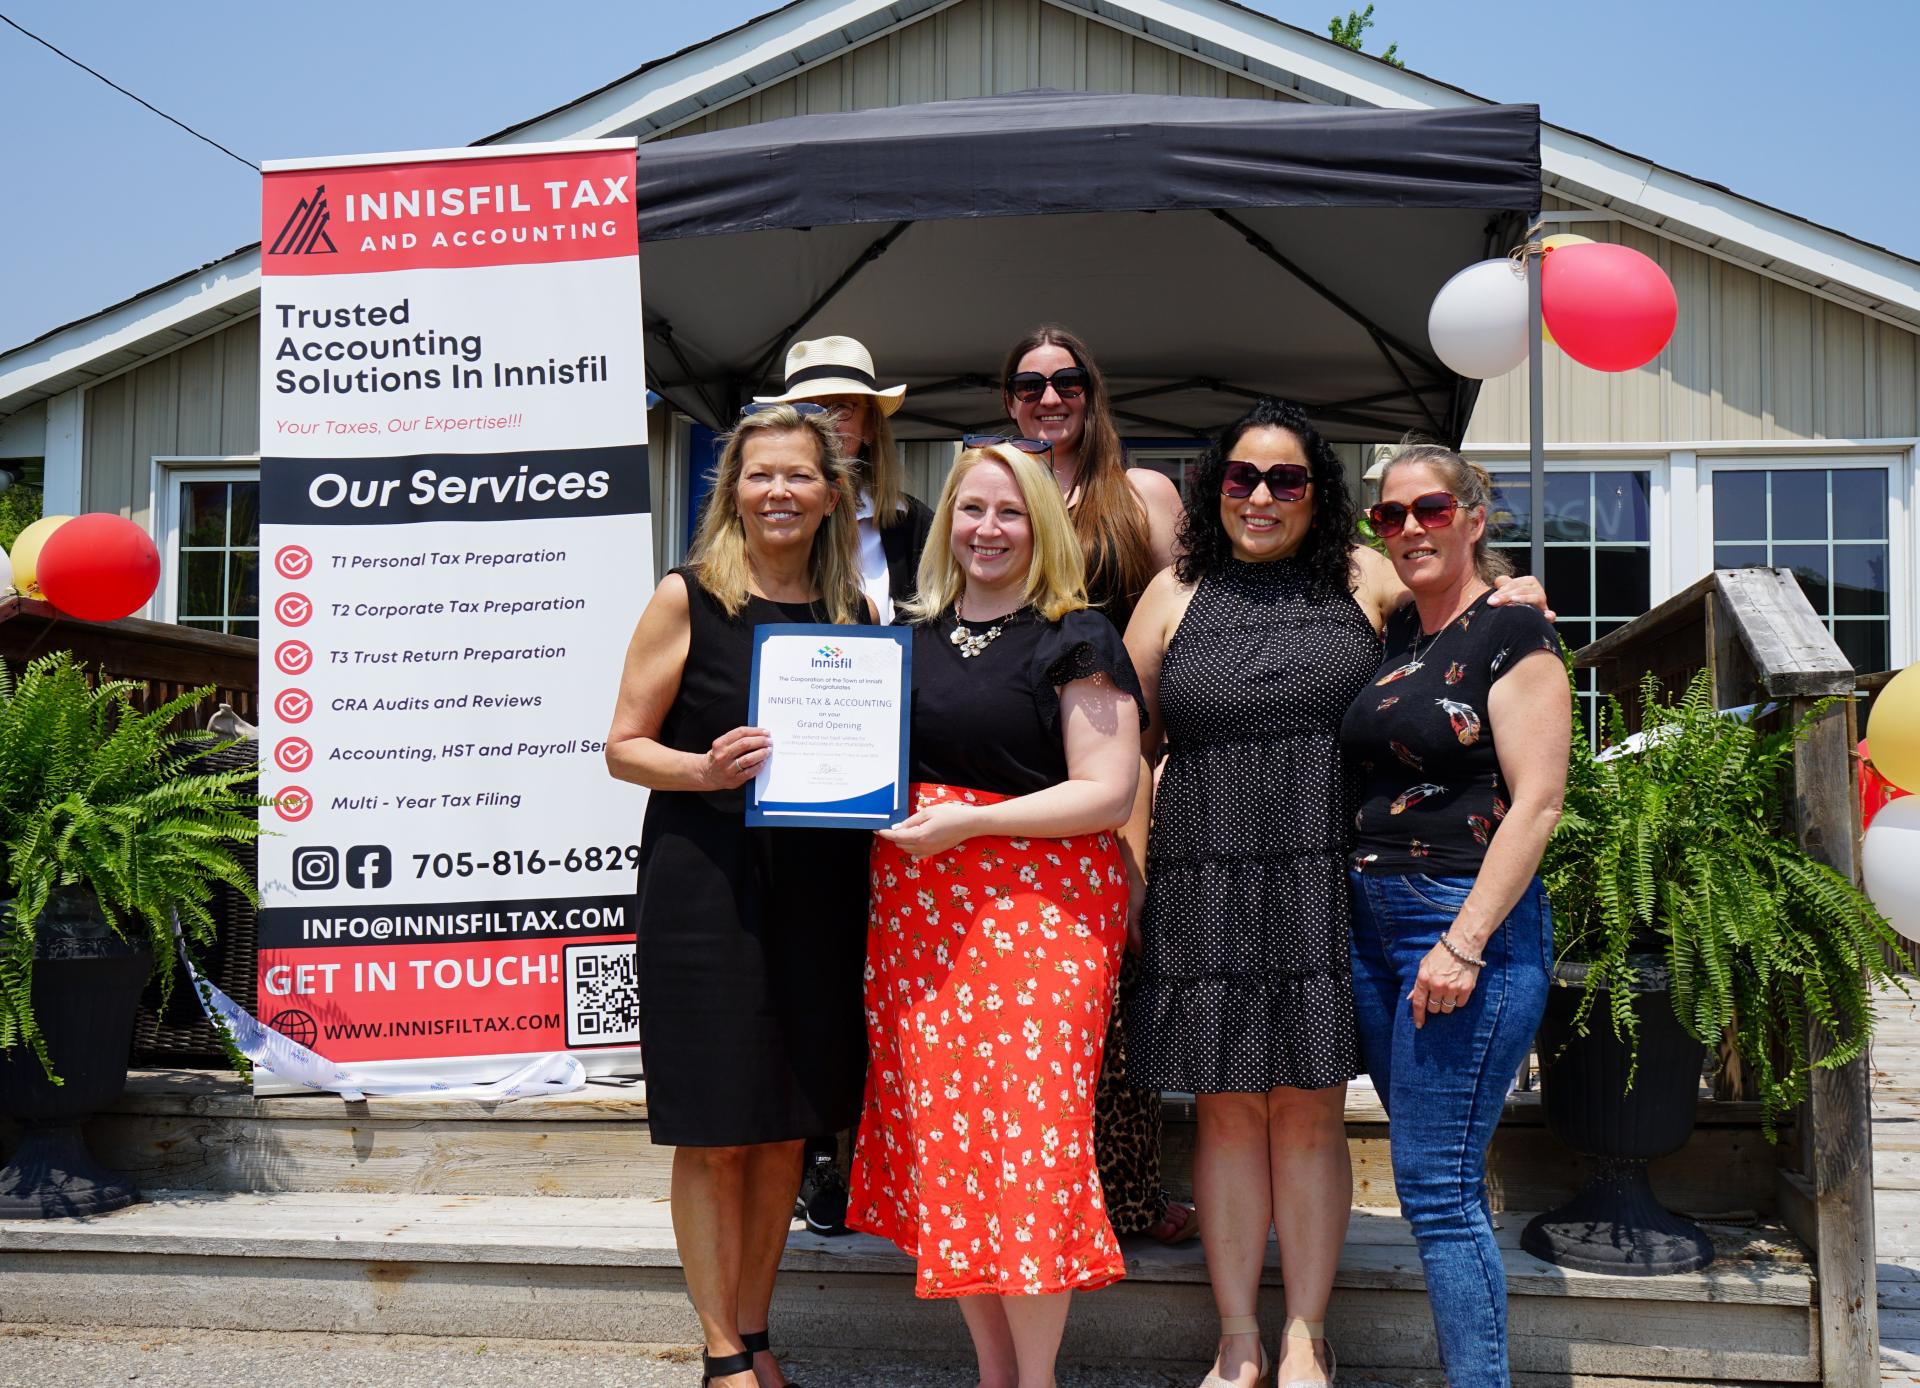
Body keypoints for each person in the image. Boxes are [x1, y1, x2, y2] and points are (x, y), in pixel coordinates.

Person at [1122, 402, 1551, 1388]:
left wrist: (1514, 587)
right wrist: (1136, 877)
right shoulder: (1170, 593)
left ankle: (1307, 1332)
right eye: (1241, 478)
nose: (1261, 496)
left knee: (1308, 1108)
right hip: (1205, 872)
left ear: (1322, 496)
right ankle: (1236, 1336)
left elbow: (1461, 613)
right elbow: (1129, 750)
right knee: (1228, 1109)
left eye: (1286, 479)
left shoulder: (1365, 579)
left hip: (1327, 871)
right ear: (1212, 489)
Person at [848, 441, 1145, 1388]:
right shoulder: (908, 637)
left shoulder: (1077, 633)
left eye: (1009, 513)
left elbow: (1106, 790)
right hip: (921, 918)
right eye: (971, 509)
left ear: (1041, 527)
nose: (987, 529)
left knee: (1028, 1147)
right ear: (947, 523)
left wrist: (968, 827)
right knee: (949, 1146)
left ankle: (1039, 1379)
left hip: (1041, 922)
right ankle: (992, 1374)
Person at [606, 403, 873, 1388]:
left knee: (784, 1126)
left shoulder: (855, 619)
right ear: (733, 491)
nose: (778, 491)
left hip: (818, 894)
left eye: (799, 475)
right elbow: (623, 745)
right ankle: (722, 1351)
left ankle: (759, 1335)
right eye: (760, 474)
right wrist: (705, 768)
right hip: (706, 888)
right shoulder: (687, 597)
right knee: (718, 1130)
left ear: (830, 495)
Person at [1340, 444, 1568, 1388]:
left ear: (1477, 515)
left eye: (1431, 509)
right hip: (1372, 922)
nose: (1408, 529)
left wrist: (1464, 943)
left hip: (1459, 921)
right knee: (1443, 1175)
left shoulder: (1515, 638)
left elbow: (1540, 801)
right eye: (1388, 516)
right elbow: (1312, 547)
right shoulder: (1400, 630)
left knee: (1432, 1190)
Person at [1000, 323, 1194, 1248]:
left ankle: (1126, 1191)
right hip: (1013, 765)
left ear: (1091, 390)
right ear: (1009, 400)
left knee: (1115, 972)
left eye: (1066, 380)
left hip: (1119, 765)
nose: (1049, 398)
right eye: (1030, 384)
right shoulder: (996, 491)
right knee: (1025, 993)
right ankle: (1032, 1192)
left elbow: (1192, 613)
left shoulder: (1142, 494)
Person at [754, 333, 935, 1235]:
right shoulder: (762, 525)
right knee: (819, 971)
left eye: (849, 406)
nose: (835, 421)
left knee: (887, 972)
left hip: (907, 782)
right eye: (816, 407)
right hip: (795, 790)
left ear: (871, 422)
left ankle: (886, 1157)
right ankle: (822, 1158)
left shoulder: (920, 523)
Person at [755, 334, 934, 624]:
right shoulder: (754, 506)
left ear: (870, 428)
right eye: (806, 408)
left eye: (841, 407)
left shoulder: (913, 524)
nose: (822, 420)